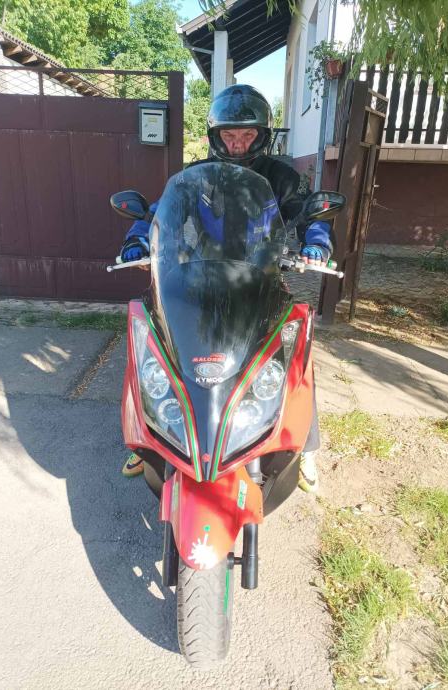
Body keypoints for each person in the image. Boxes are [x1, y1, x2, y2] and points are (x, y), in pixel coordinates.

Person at [120, 84, 334, 493]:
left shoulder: (283, 178)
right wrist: (138, 240)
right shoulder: (193, 176)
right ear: (215, 136)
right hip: (200, 279)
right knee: (159, 349)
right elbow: (158, 213)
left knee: (291, 356)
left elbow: (309, 215)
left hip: (261, 279)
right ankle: (148, 437)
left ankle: (304, 446)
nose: (238, 144)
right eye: (230, 135)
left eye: (247, 135)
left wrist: (317, 243)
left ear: (262, 135)